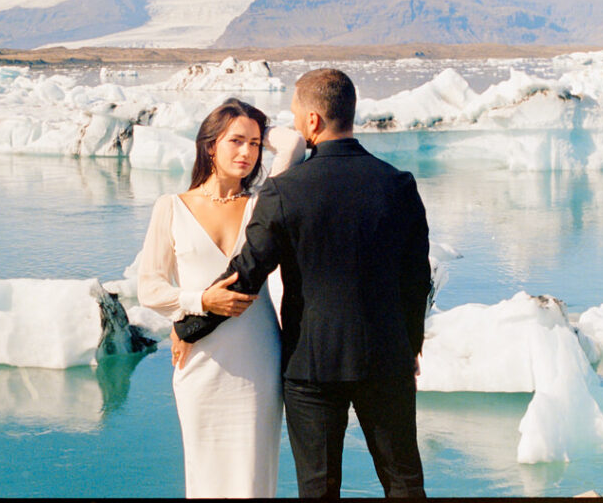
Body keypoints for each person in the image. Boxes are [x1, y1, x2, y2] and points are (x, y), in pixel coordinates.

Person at [174, 69, 432, 498]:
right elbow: (416, 279)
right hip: (387, 359)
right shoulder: (398, 185)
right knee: (403, 481)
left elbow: (246, 276)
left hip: (311, 366)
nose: (294, 123)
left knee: (318, 489)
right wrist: (410, 346)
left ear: (312, 120)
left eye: (296, 115)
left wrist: (189, 327)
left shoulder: (285, 192)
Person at [136, 97, 306, 498]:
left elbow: (295, 144)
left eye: (255, 143)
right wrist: (199, 304)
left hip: (258, 357)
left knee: (253, 475)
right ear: (210, 145)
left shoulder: (264, 203)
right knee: (205, 474)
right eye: (235, 141)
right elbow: (150, 288)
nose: (247, 152)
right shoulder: (171, 207)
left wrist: (257, 125)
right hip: (201, 359)